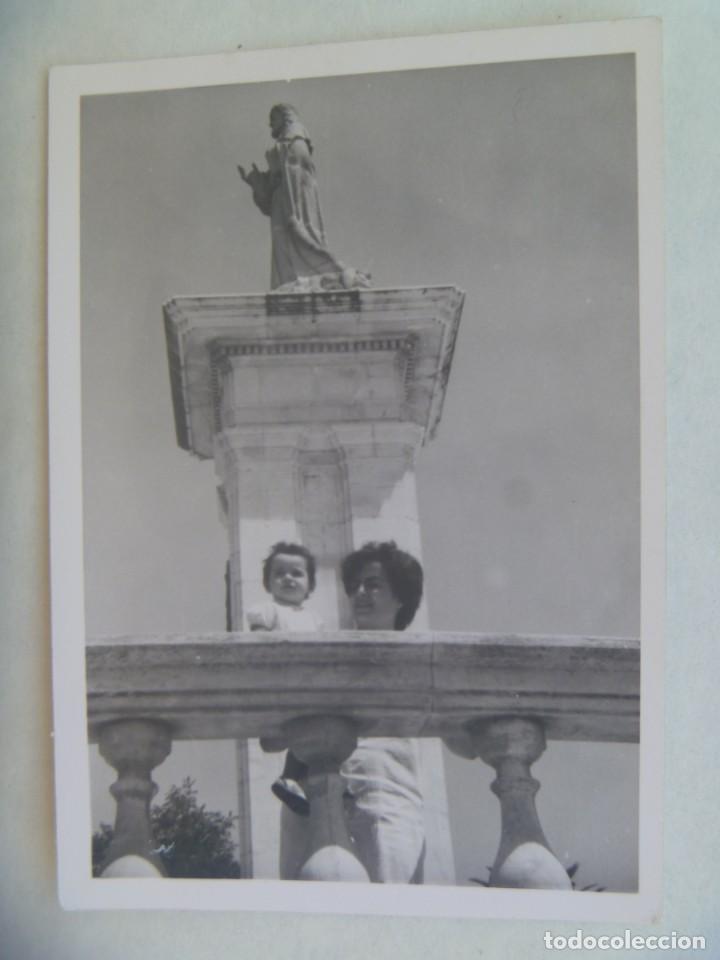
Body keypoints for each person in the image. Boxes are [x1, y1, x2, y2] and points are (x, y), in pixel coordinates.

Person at [339, 541, 426, 884]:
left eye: (373, 584)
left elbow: (462, 743)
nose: (360, 593)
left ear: (400, 596)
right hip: (328, 804)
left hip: (388, 805)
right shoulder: (331, 656)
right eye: (355, 586)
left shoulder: (417, 662)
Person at [238, 103, 369, 291]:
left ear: (285, 117)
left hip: (294, 203)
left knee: (302, 236)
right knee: (285, 242)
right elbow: (275, 185)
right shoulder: (287, 144)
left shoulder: (295, 140)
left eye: (273, 119)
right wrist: (257, 183)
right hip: (282, 202)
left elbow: (296, 172)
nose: (270, 125)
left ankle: (338, 273)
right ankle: (292, 280)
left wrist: (292, 208)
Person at [246, 541, 321, 816]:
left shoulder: (313, 619)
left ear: (310, 585)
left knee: (312, 732)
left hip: (308, 681)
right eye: (279, 573)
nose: (288, 578)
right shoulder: (269, 610)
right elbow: (257, 640)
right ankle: (292, 777)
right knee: (303, 730)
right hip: (285, 679)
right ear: (268, 583)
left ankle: (295, 780)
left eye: (297, 573)